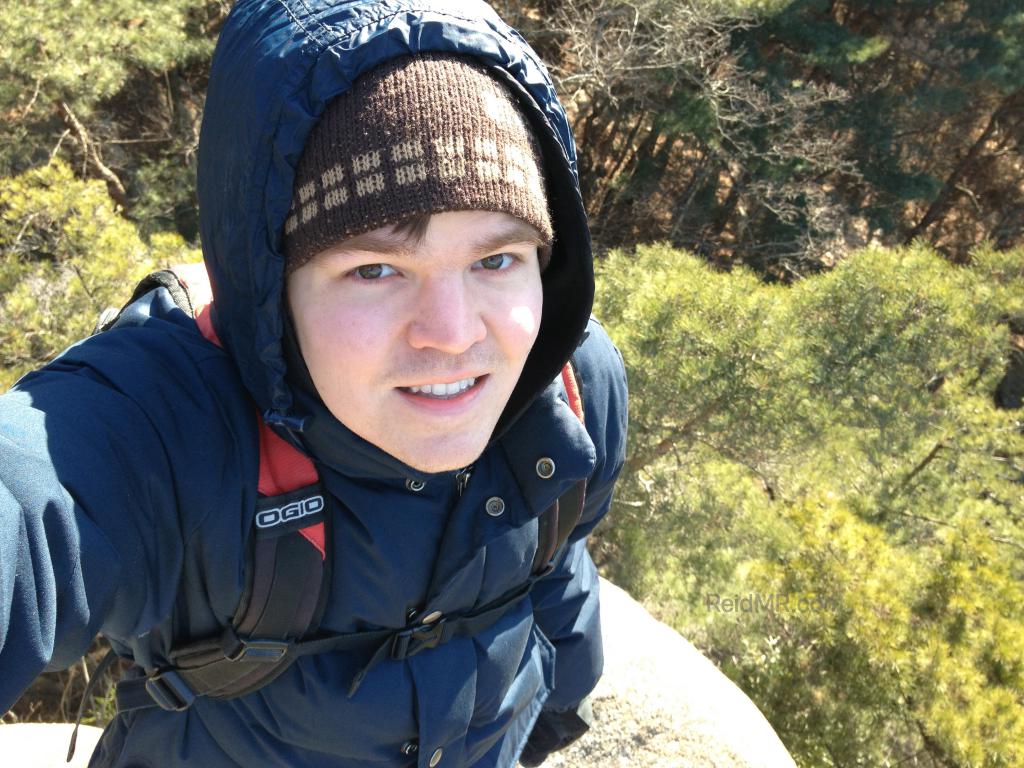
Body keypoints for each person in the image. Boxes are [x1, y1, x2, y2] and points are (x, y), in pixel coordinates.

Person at [0, 1, 628, 766]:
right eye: (375, 269)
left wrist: (554, 723)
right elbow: (27, 497)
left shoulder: (570, 389)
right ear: (271, 282)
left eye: (496, 259)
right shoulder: (166, 427)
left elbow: (558, 573)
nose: (456, 333)